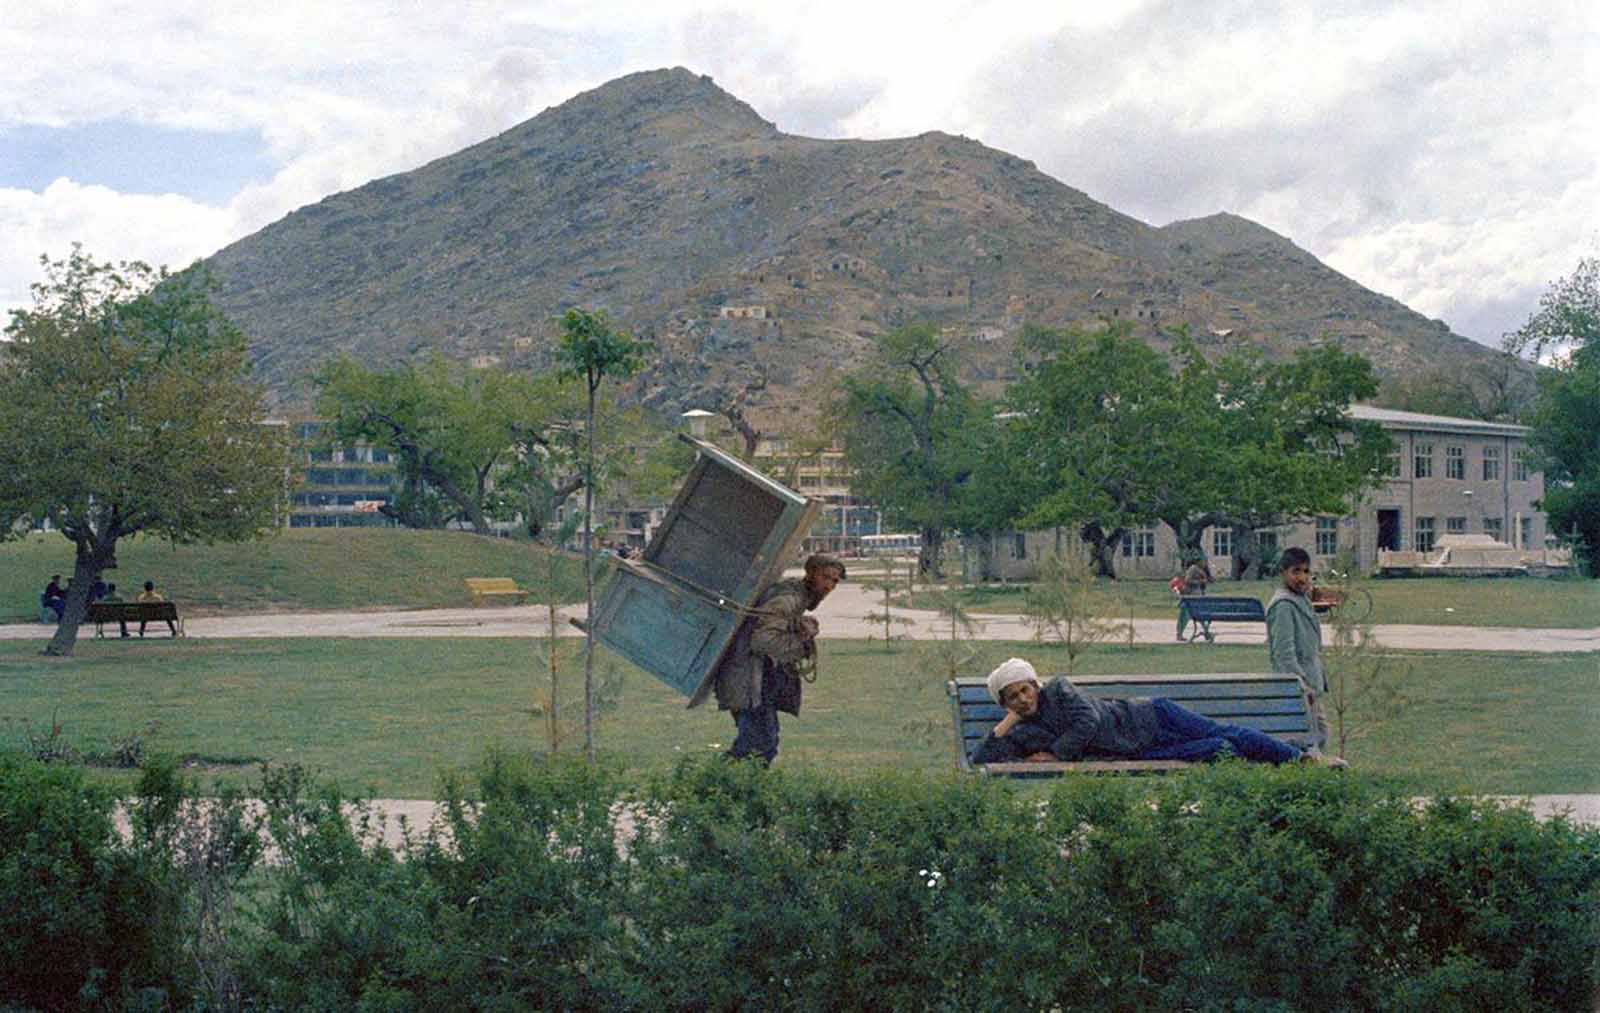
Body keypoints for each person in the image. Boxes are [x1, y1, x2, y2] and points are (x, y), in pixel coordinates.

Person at [970, 657, 1345, 767]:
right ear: (1005, 704)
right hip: (1139, 750)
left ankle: (1301, 760)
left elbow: (1090, 721)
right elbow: (980, 758)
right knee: (1216, 749)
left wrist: (1056, 754)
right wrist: (1008, 723)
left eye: (1025, 689)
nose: (1023, 698)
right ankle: (1287, 749)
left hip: (1152, 717)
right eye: (1012, 697)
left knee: (1227, 733)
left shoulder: (1061, 690)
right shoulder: (1023, 730)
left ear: (1036, 684)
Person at [709, 553, 846, 765]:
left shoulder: (796, 597)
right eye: (825, 577)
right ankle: (722, 787)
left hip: (757, 680)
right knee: (759, 746)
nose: (829, 586)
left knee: (760, 745)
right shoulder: (789, 599)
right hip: (748, 681)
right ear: (810, 573)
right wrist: (801, 643)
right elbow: (762, 641)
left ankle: (728, 787)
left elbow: (774, 625)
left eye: (834, 581)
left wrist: (798, 625)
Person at [1266, 546, 1331, 754]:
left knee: (1318, 736)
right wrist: (1302, 686)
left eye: (1306, 571)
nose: (1302, 577)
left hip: (1311, 681)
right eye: (1296, 571)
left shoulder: (1299, 598)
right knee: (1310, 739)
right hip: (1300, 688)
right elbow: (1284, 654)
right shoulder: (1283, 605)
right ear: (1282, 572)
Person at [1174, 555, 1211, 641]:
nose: (1206, 563)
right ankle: (1180, 633)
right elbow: (1187, 580)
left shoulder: (1200, 570)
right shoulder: (1193, 569)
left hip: (1196, 598)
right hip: (1191, 597)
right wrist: (1200, 582)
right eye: (1204, 561)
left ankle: (1206, 632)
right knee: (1185, 615)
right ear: (1199, 561)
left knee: (1197, 615)